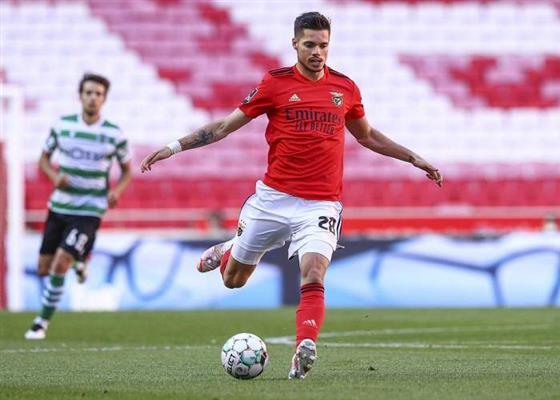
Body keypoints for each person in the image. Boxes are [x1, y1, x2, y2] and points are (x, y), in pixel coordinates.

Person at [140, 12, 443, 379]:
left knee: (314, 272)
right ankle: (230, 248)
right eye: (310, 45)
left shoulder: (345, 88)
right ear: (295, 43)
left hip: (321, 204)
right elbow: (223, 127)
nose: (317, 52)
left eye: (323, 45)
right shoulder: (275, 84)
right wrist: (173, 147)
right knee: (233, 280)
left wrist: (412, 157)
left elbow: (366, 135)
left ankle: (305, 346)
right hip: (273, 200)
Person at [25, 73, 132, 340]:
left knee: (60, 262)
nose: (93, 98)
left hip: (89, 209)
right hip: (60, 206)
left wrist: (116, 191)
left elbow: (127, 170)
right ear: (80, 96)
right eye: (89, 93)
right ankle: (81, 261)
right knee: (43, 267)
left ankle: (41, 322)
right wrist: (54, 177)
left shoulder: (114, 134)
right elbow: (43, 159)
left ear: (104, 99)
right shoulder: (62, 126)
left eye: (98, 94)